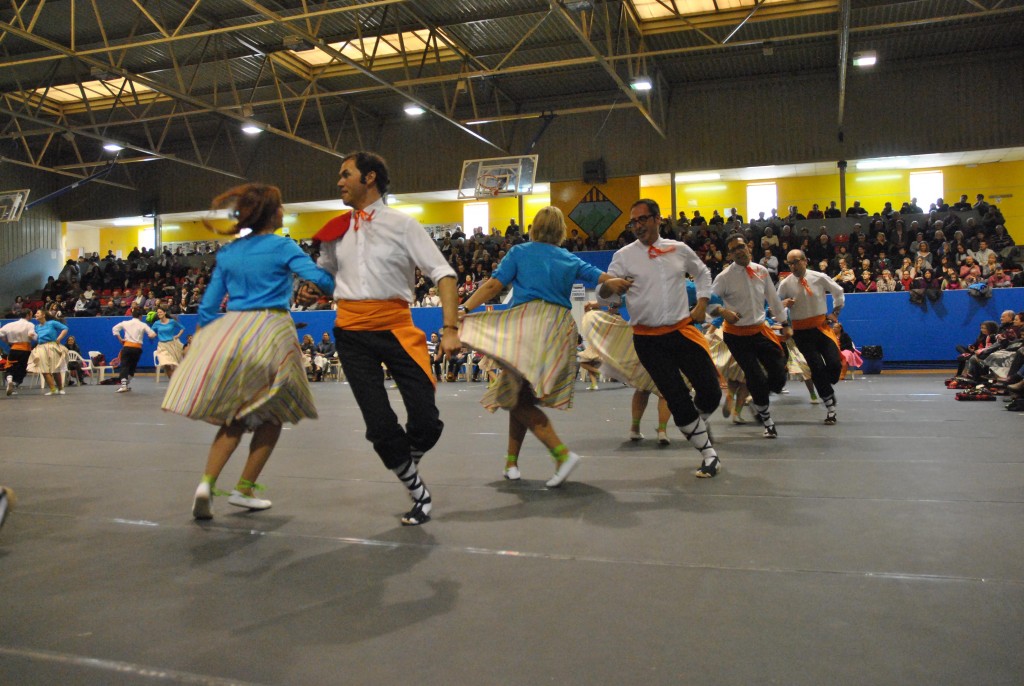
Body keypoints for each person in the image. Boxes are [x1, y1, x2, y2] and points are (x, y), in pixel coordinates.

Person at [162, 183, 336, 520]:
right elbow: (323, 281)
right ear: (274, 213)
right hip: (272, 330)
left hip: (235, 330)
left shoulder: (229, 253)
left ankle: (206, 484)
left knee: (236, 415)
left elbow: (209, 306)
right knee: (273, 414)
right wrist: (325, 278)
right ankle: (244, 489)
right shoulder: (283, 246)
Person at [309, 151, 460, 526]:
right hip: (350, 332)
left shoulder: (403, 224)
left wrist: (451, 329)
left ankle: (404, 459)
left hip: (396, 327)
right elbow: (323, 278)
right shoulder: (333, 230)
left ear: (370, 177)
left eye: (346, 174)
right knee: (379, 425)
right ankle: (418, 492)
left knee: (426, 421)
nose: (339, 181)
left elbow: (444, 274)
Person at [459, 206, 631, 486]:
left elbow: (492, 286)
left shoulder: (520, 252)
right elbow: (599, 276)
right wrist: (615, 282)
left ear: (534, 228)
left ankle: (562, 455)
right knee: (519, 394)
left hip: (531, 326)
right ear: (561, 231)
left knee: (515, 397)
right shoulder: (569, 258)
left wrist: (464, 309)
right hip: (561, 328)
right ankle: (511, 464)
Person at [601, 198, 724, 478]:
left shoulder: (678, 249)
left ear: (658, 219)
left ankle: (695, 425)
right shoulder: (623, 256)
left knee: (711, 392)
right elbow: (605, 295)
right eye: (633, 221)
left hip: (682, 332)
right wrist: (609, 287)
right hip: (648, 341)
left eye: (643, 219)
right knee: (676, 397)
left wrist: (702, 303)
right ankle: (708, 454)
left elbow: (702, 272)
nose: (638, 225)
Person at [711, 234, 790, 438]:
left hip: (760, 331)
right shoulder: (724, 278)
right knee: (755, 377)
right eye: (734, 249)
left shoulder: (761, 271)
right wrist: (722, 311)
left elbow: (773, 298)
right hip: (736, 336)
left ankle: (756, 402)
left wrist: (785, 323)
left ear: (749, 247)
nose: (739, 250)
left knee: (779, 376)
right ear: (729, 254)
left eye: (742, 246)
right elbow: (708, 304)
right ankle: (767, 420)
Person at [580, 301, 672, 444]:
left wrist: (598, 304)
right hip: (663, 339)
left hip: (639, 341)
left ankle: (634, 429)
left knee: (642, 388)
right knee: (665, 391)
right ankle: (662, 431)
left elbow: (620, 300)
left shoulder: (633, 292)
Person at [777, 249, 846, 424]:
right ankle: (829, 404)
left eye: (796, 261)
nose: (793, 266)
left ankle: (826, 387)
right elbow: (774, 306)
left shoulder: (818, 277)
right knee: (816, 367)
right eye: (790, 263)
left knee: (834, 364)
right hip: (801, 333)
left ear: (805, 261)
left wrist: (835, 312)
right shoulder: (786, 284)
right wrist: (783, 304)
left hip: (821, 328)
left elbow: (838, 291)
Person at [111, 307, 157, 392]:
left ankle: (124, 385)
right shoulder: (143, 325)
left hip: (127, 347)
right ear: (140, 316)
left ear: (132, 315)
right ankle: (127, 383)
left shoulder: (125, 323)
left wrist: (120, 339)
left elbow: (115, 329)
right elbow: (152, 335)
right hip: (137, 348)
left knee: (124, 365)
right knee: (132, 367)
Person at [30, 309, 69, 395]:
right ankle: (52, 389)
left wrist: (59, 338)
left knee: (55, 369)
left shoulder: (51, 323)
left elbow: (65, 328)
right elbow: (37, 338)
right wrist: (32, 336)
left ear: (43, 315)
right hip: (40, 347)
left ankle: (60, 388)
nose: (35, 314)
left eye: (37, 313)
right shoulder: (37, 327)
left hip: (52, 346)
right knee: (44, 370)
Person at [1, 309, 37, 396]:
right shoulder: (30, 324)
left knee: (10, 366)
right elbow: (32, 335)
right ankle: (14, 384)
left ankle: (9, 380)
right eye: (31, 314)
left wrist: (7, 342)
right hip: (25, 350)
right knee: (22, 369)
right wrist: (37, 337)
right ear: (28, 315)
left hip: (14, 349)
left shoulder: (10, 325)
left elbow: (1, 334)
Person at [152, 306, 185, 379]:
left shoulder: (172, 322)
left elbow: (182, 328)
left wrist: (178, 335)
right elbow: (152, 332)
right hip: (162, 346)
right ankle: (172, 382)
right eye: (158, 313)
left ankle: (175, 381)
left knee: (173, 365)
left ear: (164, 313)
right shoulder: (156, 323)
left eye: (160, 312)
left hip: (171, 345)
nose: (159, 314)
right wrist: (152, 335)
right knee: (166, 364)